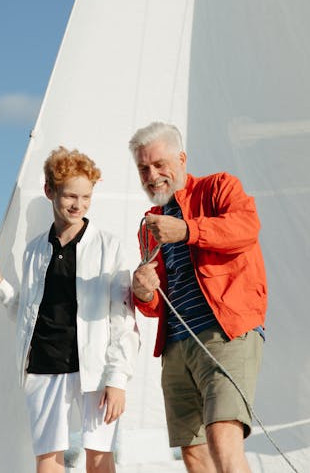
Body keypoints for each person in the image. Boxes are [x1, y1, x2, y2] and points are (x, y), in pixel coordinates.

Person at [0, 146, 140, 473]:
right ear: (49, 191)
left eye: (86, 197)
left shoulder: (109, 246)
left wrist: (118, 378)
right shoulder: (35, 249)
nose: (78, 204)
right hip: (43, 364)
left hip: (95, 367)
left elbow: (122, 318)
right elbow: (28, 313)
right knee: (48, 460)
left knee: (99, 455)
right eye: (70, 196)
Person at [128, 122, 267, 473]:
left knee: (222, 434)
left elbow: (247, 228)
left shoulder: (219, 186)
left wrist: (188, 230)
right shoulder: (149, 224)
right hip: (176, 346)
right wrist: (144, 292)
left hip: (224, 334)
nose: (152, 174)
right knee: (192, 452)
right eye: (143, 168)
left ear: (182, 158)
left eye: (160, 164)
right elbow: (157, 302)